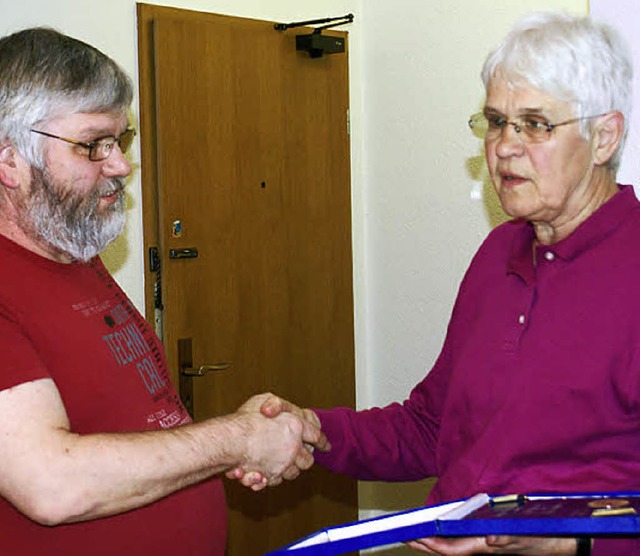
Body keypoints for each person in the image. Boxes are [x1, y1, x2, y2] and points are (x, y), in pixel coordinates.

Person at [237, 11, 640, 556]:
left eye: (535, 124)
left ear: (604, 137)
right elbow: (431, 427)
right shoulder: (499, 252)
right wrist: (313, 428)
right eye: (496, 122)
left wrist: (555, 544)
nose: (504, 146)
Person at [0, 27, 327, 556]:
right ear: (9, 160)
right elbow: (49, 484)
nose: (121, 165)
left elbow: (132, 422)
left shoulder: (76, 256)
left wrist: (245, 433)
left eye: (121, 140)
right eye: (93, 145)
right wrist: (236, 440)